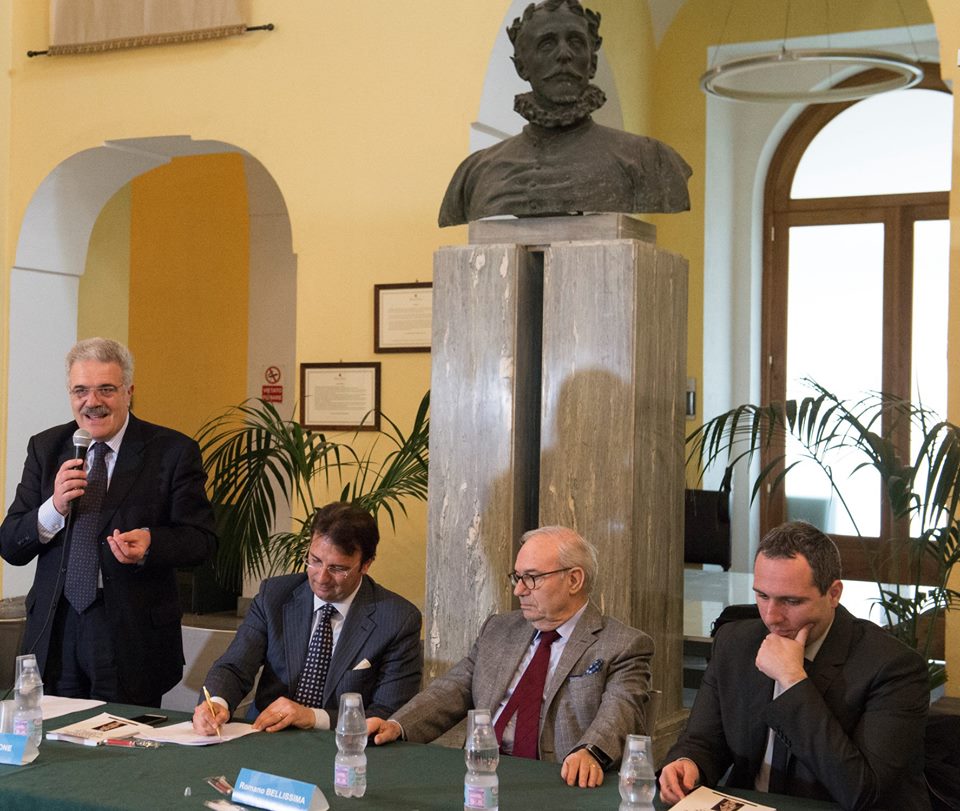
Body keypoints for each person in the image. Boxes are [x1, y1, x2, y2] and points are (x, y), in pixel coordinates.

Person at [0, 337, 217, 706]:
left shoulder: (173, 451)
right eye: (80, 390)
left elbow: (202, 540)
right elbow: (10, 544)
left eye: (106, 389)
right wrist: (54, 507)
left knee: (125, 747)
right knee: (58, 745)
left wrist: (152, 543)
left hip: (131, 633)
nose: (92, 402)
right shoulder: (46, 447)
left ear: (129, 391)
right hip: (57, 628)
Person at [659, 521, 931, 811]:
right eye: (762, 596)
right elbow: (704, 740)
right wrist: (688, 763)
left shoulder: (893, 667)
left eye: (791, 601)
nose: (772, 617)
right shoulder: (735, 643)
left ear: (834, 593)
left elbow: (862, 792)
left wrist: (793, 681)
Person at [367, 526, 653, 789]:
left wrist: (590, 751)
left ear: (574, 579)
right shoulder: (499, 629)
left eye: (532, 578)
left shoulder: (621, 644)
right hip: (483, 772)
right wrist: (397, 724)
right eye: (517, 577)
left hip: (559, 781)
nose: (518, 589)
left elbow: (621, 710)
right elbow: (452, 689)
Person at [438, 0, 691, 226]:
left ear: (592, 63)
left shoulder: (649, 160)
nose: (564, 54)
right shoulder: (476, 173)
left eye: (575, 42)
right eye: (547, 44)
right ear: (521, 66)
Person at [193, 502, 422, 735]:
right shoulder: (274, 596)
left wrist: (312, 717)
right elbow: (234, 667)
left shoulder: (397, 620)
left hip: (342, 747)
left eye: (337, 568)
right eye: (315, 560)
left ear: (366, 564)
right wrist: (216, 704)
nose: (321, 577)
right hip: (266, 737)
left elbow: (387, 712)